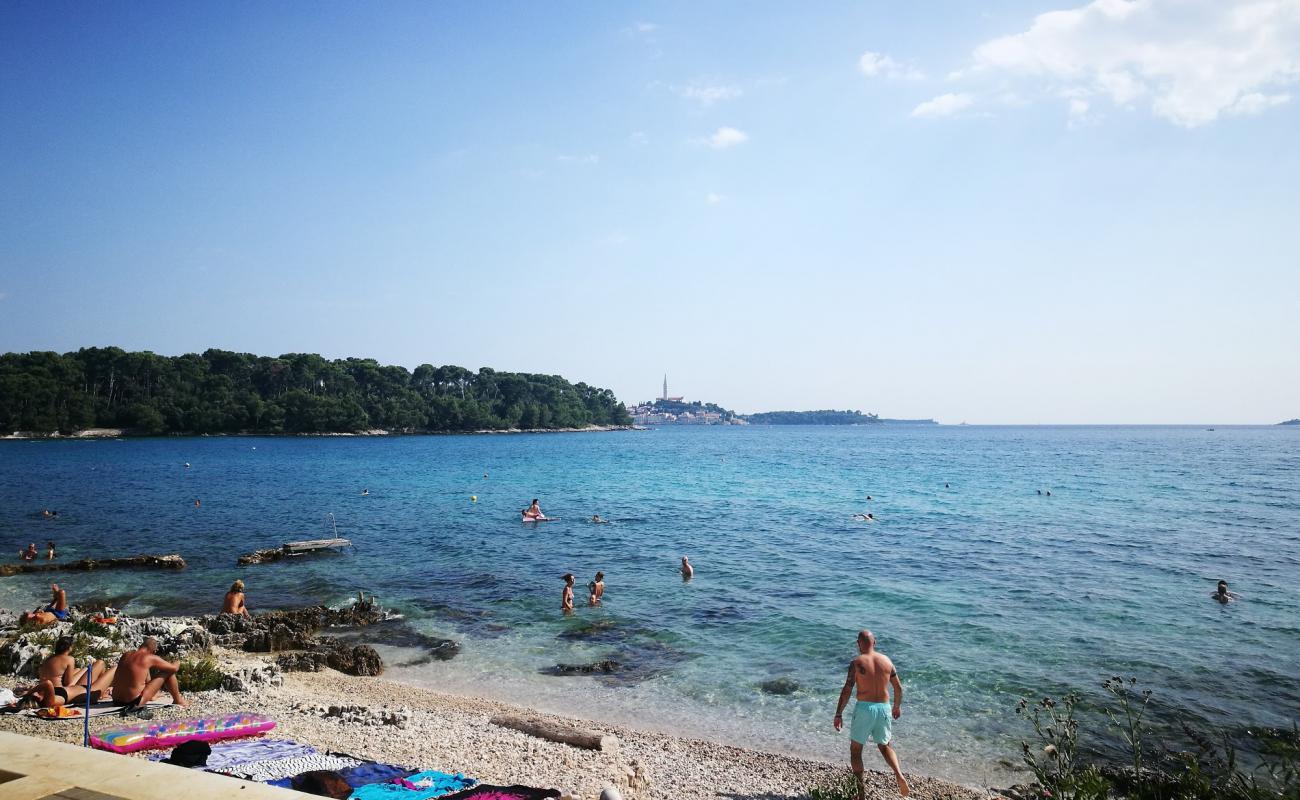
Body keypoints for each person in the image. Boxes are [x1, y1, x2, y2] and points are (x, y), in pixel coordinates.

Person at [833, 630, 908, 798]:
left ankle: (861, 794)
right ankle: (898, 774)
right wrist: (896, 706)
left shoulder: (856, 662)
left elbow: (847, 689)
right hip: (884, 708)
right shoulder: (887, 661)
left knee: (856, 750)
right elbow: (898, 688)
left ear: (858, 643)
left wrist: (838, 713)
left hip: (865, 709)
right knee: (885, 746)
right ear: (875, 643)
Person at [110, 637, 187, 709]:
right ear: (154, 651)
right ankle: (178, 700)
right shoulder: (149, 657)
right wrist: (178, 662)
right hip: (133, 702)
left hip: (116, 701)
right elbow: (174, 668)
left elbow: (146, 681)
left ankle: (152, 696)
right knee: (168, 671)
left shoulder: (126, 655)